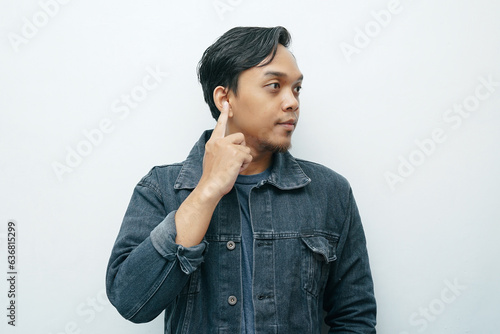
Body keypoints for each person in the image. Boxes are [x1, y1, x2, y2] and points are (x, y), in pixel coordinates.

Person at [106, 26, 376, 333]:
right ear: (225, 99)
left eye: (297, 88)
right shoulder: (161, 189)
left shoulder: (331, 193)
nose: (292, 102)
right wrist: (207, 191)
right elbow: (131, 302)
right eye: (275, 86)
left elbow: (355, 317)